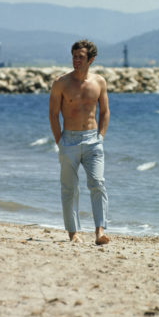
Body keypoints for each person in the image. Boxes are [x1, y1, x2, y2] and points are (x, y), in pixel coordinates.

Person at [49, 40, 110, 244]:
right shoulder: (61, 83)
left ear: (90, 60)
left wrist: (100, 137)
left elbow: (105, 111)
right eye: (74, 56)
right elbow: (53, 114)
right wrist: (61, 142)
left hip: (93, 140)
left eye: (81, 57)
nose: (76, 60)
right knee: (69, 188)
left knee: (98, 184)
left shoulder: (99, 82)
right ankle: (73, 233)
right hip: (69, 140)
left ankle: (100, 231)